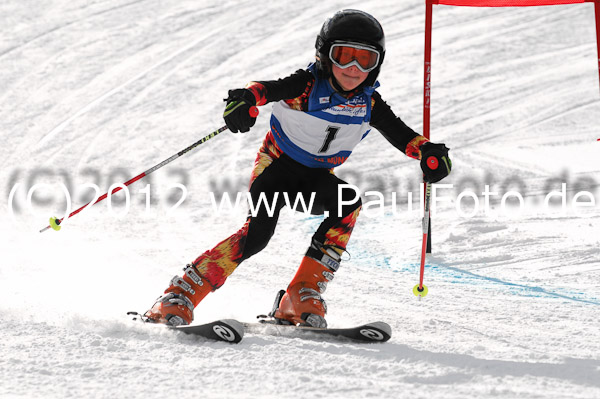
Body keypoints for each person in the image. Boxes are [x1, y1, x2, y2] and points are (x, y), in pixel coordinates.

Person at [143, 9, 452, 328]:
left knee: (347, 204)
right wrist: (245, 100)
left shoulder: (368, 103)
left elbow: (403, 136)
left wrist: (428, 153)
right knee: (258, 234)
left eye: (365, 59)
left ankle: (299, 295)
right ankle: (179, 294)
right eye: (344, 56)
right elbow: (265, 89)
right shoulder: (306, 87)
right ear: (324, 54)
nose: (353, 68)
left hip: (315, 179)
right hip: (275, 169)